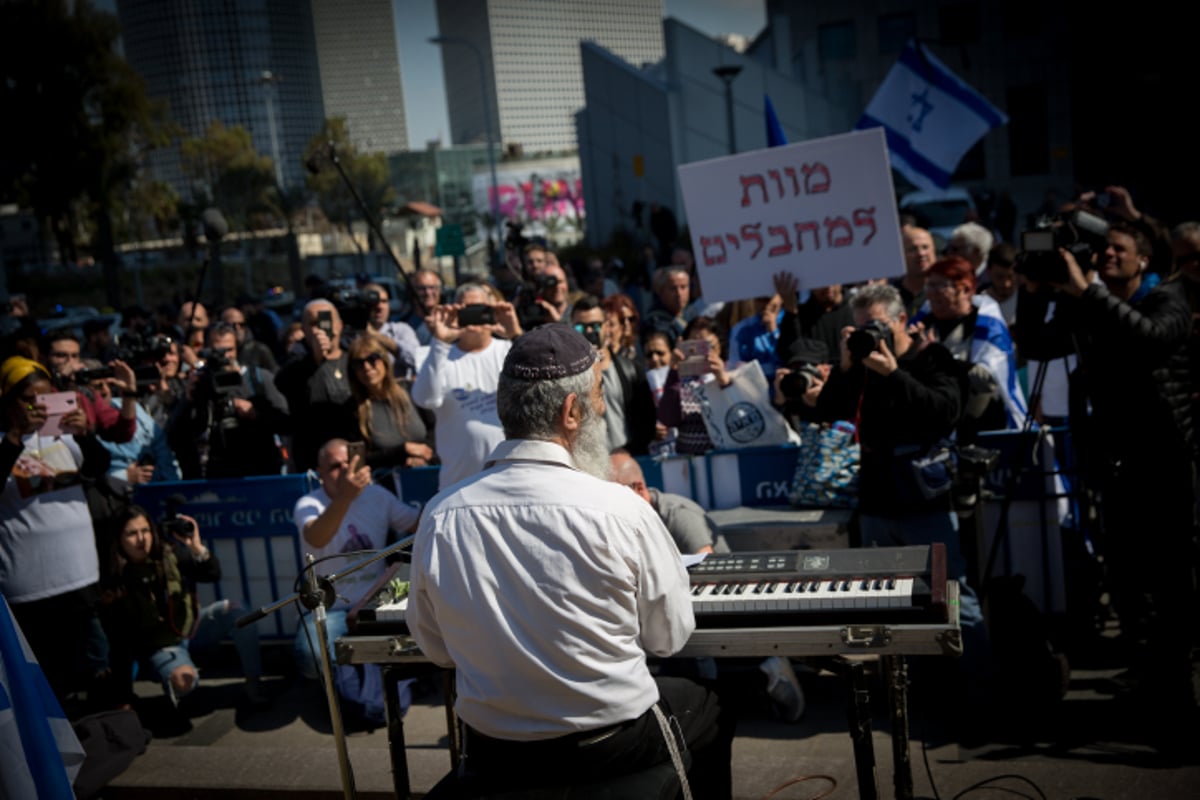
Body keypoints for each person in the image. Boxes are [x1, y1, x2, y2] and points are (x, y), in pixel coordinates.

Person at [408, 324, 734, 797]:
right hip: (608, 742)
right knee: (714, 705)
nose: (602, 409)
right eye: (600, 395)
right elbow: (668, 637)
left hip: (494, 748)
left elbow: (436, 650)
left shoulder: (440, 515)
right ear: (571, 411)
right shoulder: (621, 509)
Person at [1016, 220, 1196, 725]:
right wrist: (1034, 291)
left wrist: (1086, 291)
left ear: (1144, 260)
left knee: (1171, 585)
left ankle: (1177, 694)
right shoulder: (1088, 305)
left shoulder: (1169, 300)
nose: (1109, 256)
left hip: (1168, 462)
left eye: (1120, 250)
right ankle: (1146, 678)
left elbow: (1149, 339)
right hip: (1114, 465)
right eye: (1104, 250)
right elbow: (1038, 346)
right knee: (1128, 580)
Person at [0, 356, 110, 704]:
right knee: (49, 682)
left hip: (79, 577)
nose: (39, 406)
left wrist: (86, 435)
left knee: (94, 668)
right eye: (28, 399)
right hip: (29, 586)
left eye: (46, 397)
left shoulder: (65, 436)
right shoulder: (4, 440)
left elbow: (99, 468)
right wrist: (16, 437)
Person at [292, 438, 420, 724]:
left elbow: (417, 524)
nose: (344, 471)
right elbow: (316, 537)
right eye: (334, 467)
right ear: (319, 473)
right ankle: (336, 688)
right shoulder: (308, 503)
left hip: (374, 602)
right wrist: (345, 497)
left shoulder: (377, 496)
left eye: (348, 464)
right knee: (310, 656)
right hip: (331, 606)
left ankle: (371, 691)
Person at [98, 505, 266, 711]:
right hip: (160, 647)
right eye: (132, 533)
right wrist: (123, 697)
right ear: (119, 538)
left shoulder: (168, 554)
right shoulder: (114, 576)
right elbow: (119, 643)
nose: (142, 539)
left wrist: (195, 547)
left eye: (146, 531)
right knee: (184, 681)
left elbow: (212, 573)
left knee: (238, 609)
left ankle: (254, 684)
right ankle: (172, 682)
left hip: (191, 629)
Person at [410, 283, 522, 490]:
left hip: (511, 480)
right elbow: (425, 399)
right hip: (459, 485)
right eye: (466, 309)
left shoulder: (511, 351)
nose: (474, 316)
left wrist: (516, 335)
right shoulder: (437, 354)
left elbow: (539, 388)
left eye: (480, 309)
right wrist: (441, 341)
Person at [912, 257, 1027, 436]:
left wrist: (941, 357)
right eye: (930, 285)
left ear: (965, 289)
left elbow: (988, 380)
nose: (931, 293)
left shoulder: (987, 327)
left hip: (977, 426)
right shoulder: (922, 324)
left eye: (940, 286)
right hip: (930, 420)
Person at [178, 322, 290, 478]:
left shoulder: (258, 378)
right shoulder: (201, 382)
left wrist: (255, 413)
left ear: (237, 348)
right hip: (218, 473)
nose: (225, 356)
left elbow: (286, 422)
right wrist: (189, 398)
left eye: (229, 350)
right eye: (217, 350)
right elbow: (180, 432)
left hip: (260, 469)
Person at [273, 300, 358, 472]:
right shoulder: (296, 364)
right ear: (304, 331)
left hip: (353, 456)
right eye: (313, 323)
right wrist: (315, 360)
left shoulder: (355, 360)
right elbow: (282, 383)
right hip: (313, 462)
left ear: (340, 325)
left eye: (326, 320)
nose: (321, 328)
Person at [570, 295, 656, 455]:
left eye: (595, 326)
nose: (589, 332)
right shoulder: (566, 375)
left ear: (606, 327)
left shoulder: (631, 370)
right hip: (587, 466)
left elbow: (646, 423)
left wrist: (627, 452)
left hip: (627, 461)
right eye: (580, 328)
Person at [346, 334, 434, 470]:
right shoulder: (353, 409)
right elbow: (360, 459)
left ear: (384, 360)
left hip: (429, 472)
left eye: (372, 359)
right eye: (358, 364)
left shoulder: (411, 389)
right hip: (385, 484)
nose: (367, 367)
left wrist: (422, 455)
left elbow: (437, 431)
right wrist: (403, 451)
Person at [361, 282, 420, 379]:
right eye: (374, 302)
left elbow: (416, 360)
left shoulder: (400, 330)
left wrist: (378, 337)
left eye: (384, 301)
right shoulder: (354, 334)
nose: (380, 307)